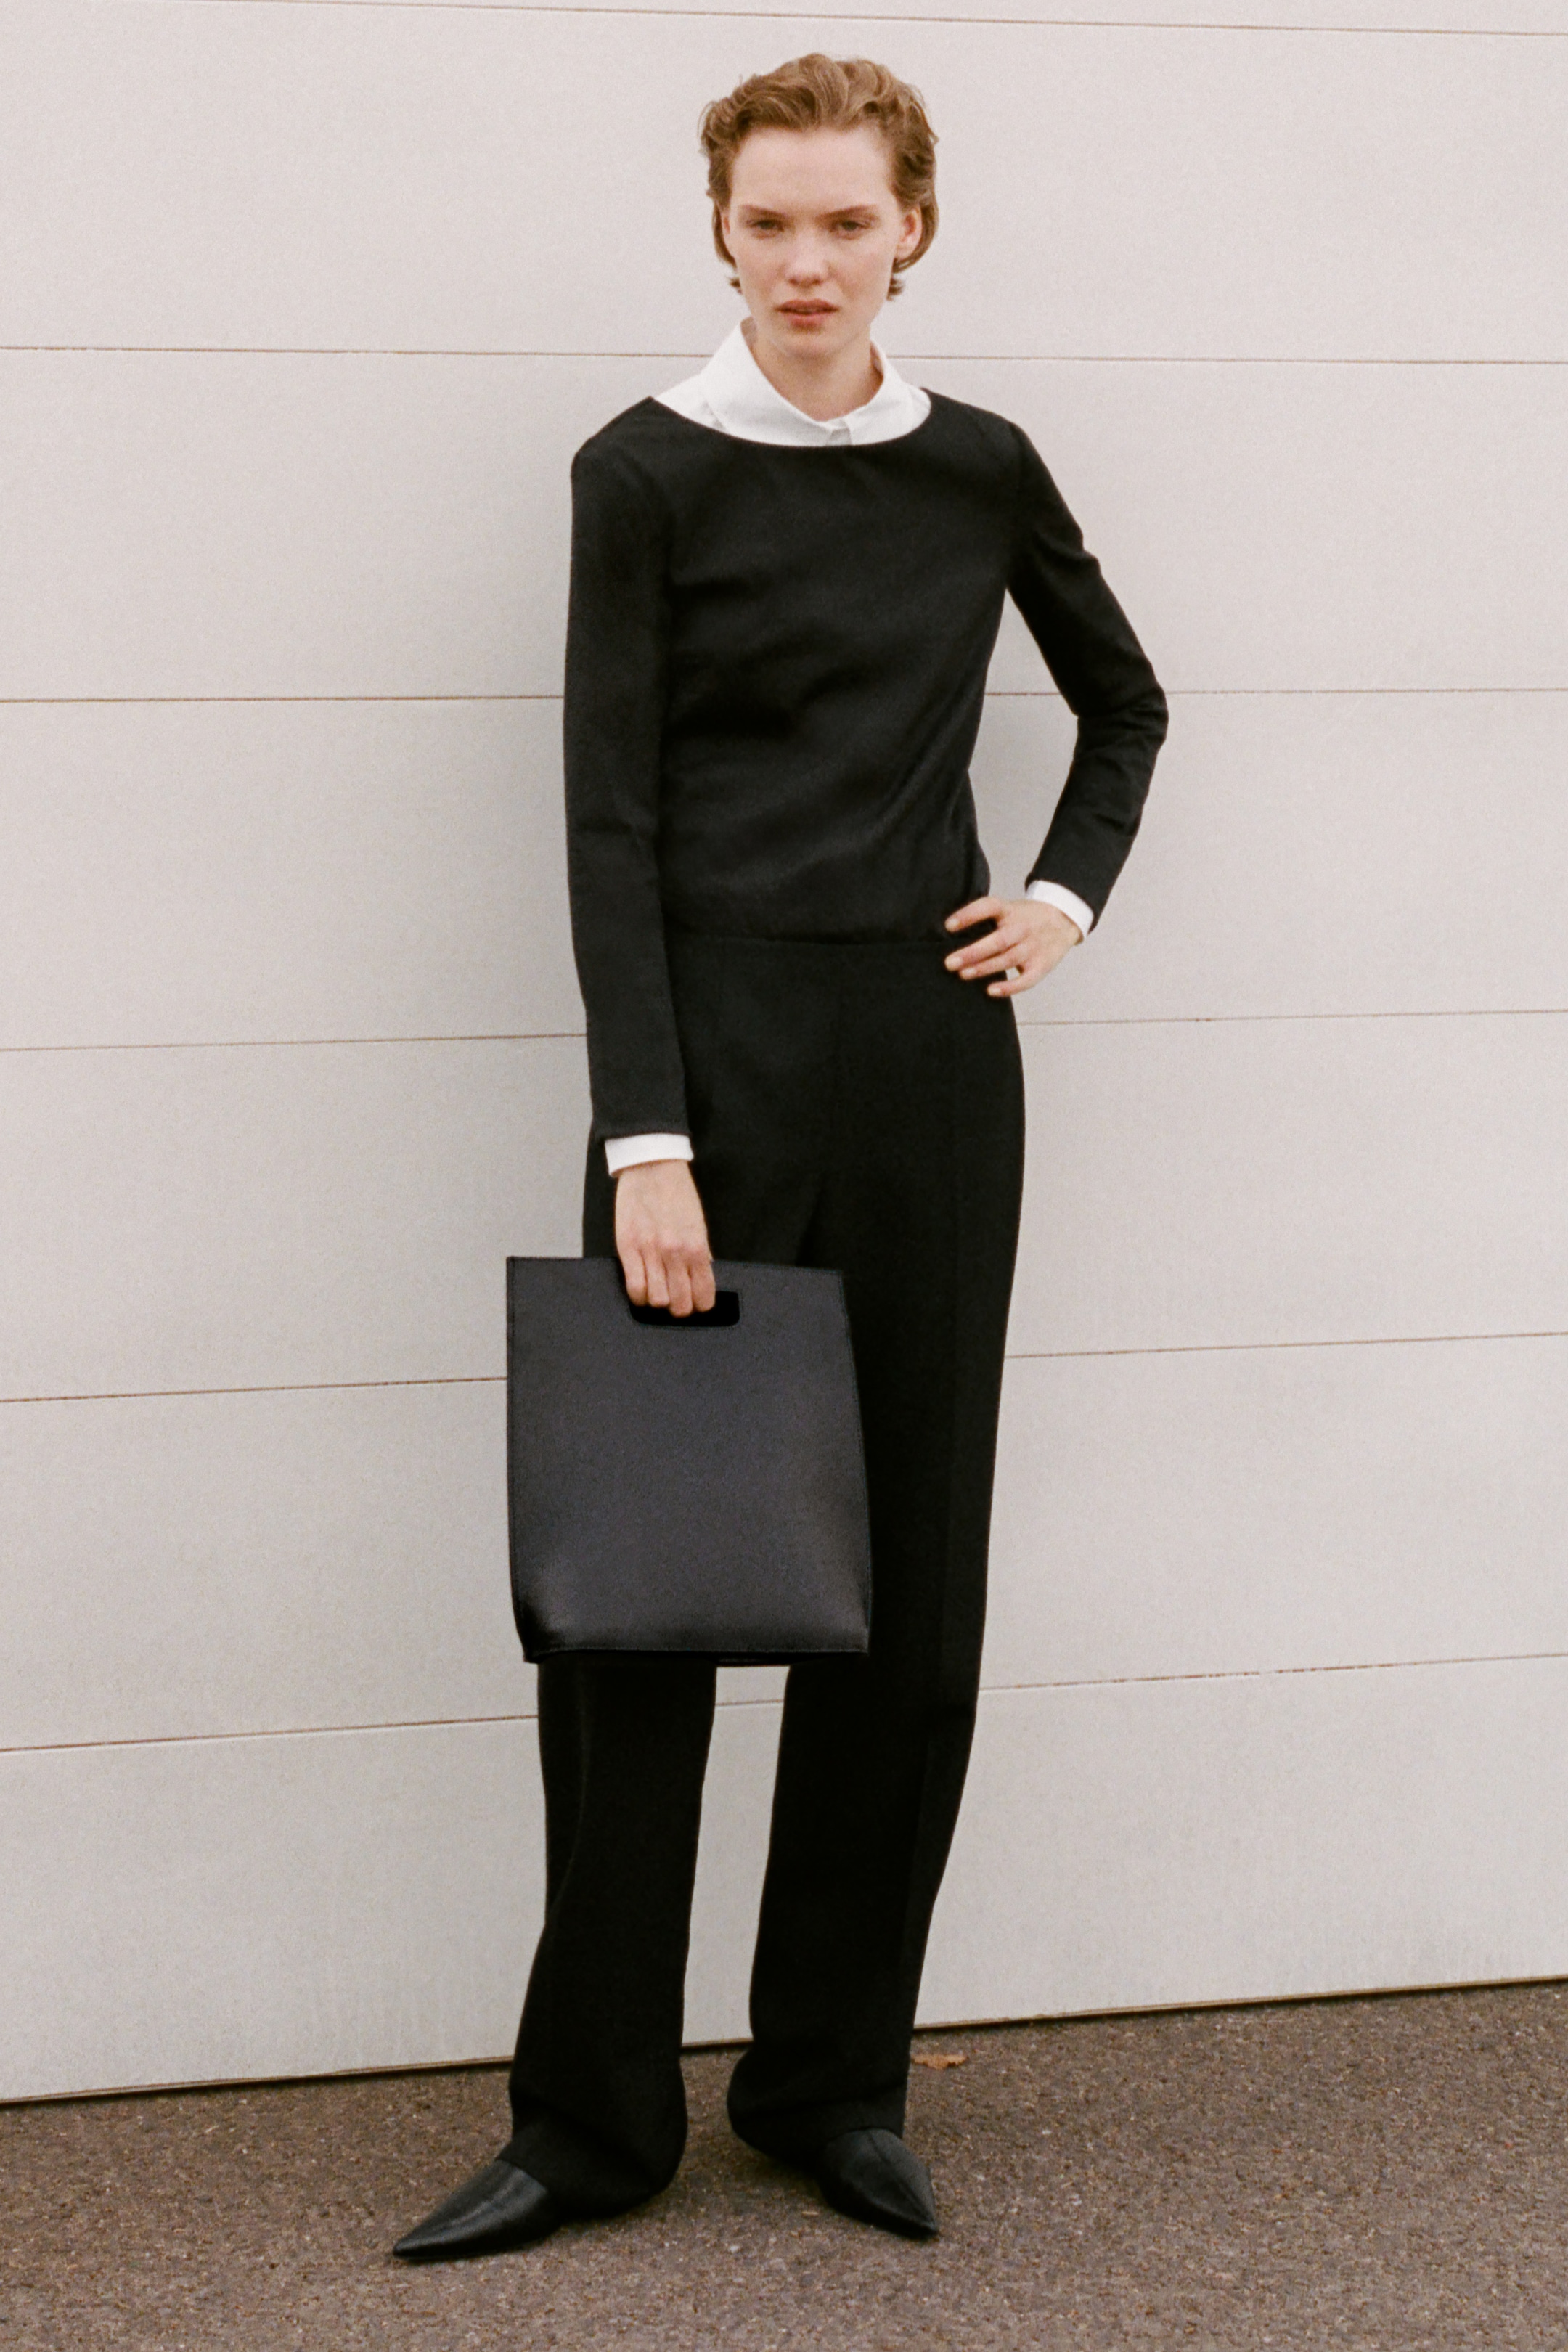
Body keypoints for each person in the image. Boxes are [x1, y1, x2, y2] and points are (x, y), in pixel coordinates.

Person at [395, 51, 1166, 2259]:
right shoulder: (641, 471)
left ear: (913, 226)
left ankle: (833, 2084)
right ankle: (590, 2124)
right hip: (702, 1090)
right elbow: (608, 814)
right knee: (638, 1616)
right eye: (771, 225)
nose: (809, 261)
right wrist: (646, 1138)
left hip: (932, 1073)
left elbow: (1127, 701)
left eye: (848, 222)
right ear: (719, 234)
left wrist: (1064, 894)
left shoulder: (983, 469)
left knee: (909, 1615)